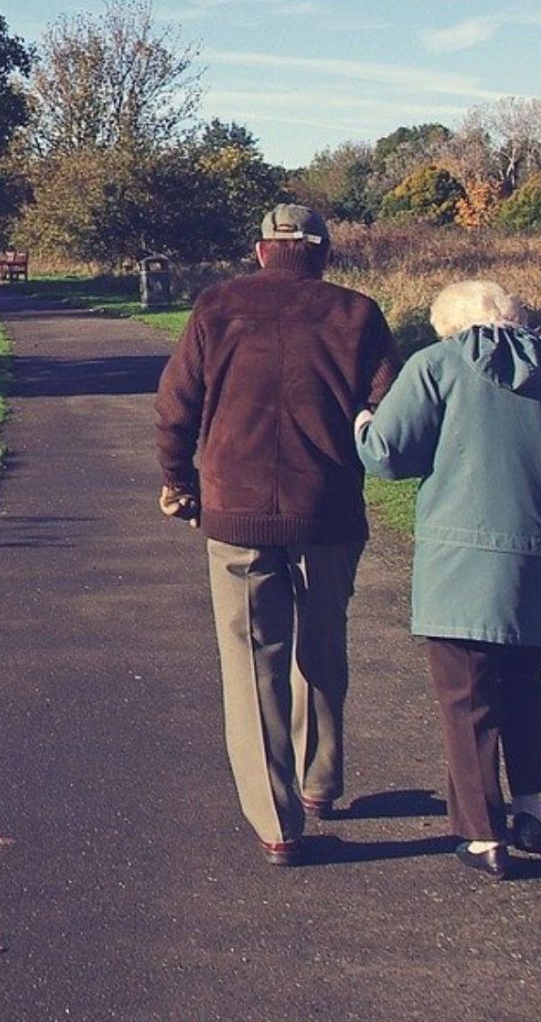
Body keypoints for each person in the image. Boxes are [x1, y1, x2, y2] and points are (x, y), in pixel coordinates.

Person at [354, 280, 541, 879]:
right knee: (523, 683)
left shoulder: (436, 367)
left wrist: (362, 424)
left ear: (451, 328)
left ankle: (484, 836)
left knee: (467, 698)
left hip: (459, 570)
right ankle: (531, 810)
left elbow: (387, 455)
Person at [155, 204, 401, 866]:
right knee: (322, 647)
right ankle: (320, 781)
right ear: (322, 252)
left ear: (262, 250)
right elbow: (388, 412)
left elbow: (175, 405)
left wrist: (178, 482)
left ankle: (278, 823)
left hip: (234, 511)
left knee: (251, 665)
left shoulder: (217, 306)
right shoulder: (358, 314)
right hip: (328, 510)